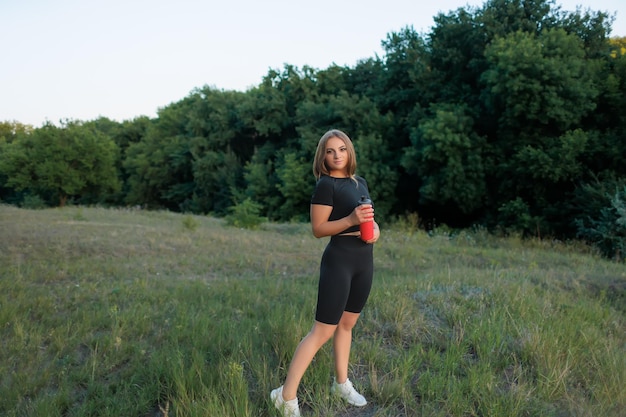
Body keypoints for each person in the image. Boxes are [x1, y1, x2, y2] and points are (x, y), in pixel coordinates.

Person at [270, 129, 380, 417]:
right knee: (322, 330)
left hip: (363, 261)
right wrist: (350, 219)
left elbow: (369, 219)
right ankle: (285, 396)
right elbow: (319, 229)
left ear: (349, 151)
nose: (337, 155)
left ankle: (341, 384)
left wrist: (375, 230)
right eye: (330, 151)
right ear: (323, 156)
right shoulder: (325, 186)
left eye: (342, 149)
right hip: (339, 261)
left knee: (347, 325)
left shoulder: (360, 183)